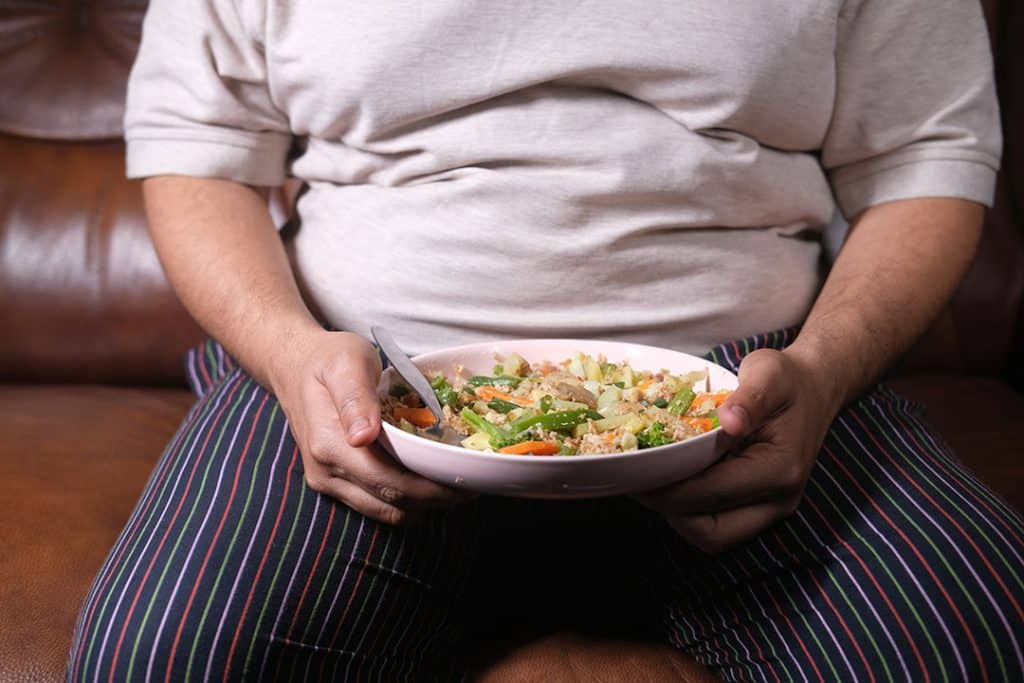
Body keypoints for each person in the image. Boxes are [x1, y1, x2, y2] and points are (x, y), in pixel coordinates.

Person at [67, 0, 1024, 680]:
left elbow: (923, 157)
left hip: (753, 388)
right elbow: (196, 149)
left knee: (978, 638)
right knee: (163, 656)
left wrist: (822, 372)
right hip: (360, 373)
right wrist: (286, 352)